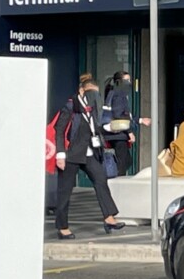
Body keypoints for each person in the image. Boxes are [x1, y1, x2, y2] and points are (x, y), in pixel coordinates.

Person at [53, 73, 128, 239]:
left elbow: (95, 128)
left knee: (101, 179)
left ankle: (109, 218)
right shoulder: (71, 107)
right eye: (91, 92)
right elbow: (59, 130)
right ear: (81, 91)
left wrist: (109, 128)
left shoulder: (92, 109)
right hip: (71, 154)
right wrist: (60, 155)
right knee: (65, 191)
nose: (94, 96)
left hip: (88, 152)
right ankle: (62, 227)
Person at [101, 71, 151, 178]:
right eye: (126, 80)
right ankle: (114, 182)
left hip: (115, 133)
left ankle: (112, 174)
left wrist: (140, 120)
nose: (129, 82)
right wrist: (130, 132)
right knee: (122, 164)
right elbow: (120, 115)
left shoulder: (115, 93)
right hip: (118, 134)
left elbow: (126, 115)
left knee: (127, 161)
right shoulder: (119, 95)